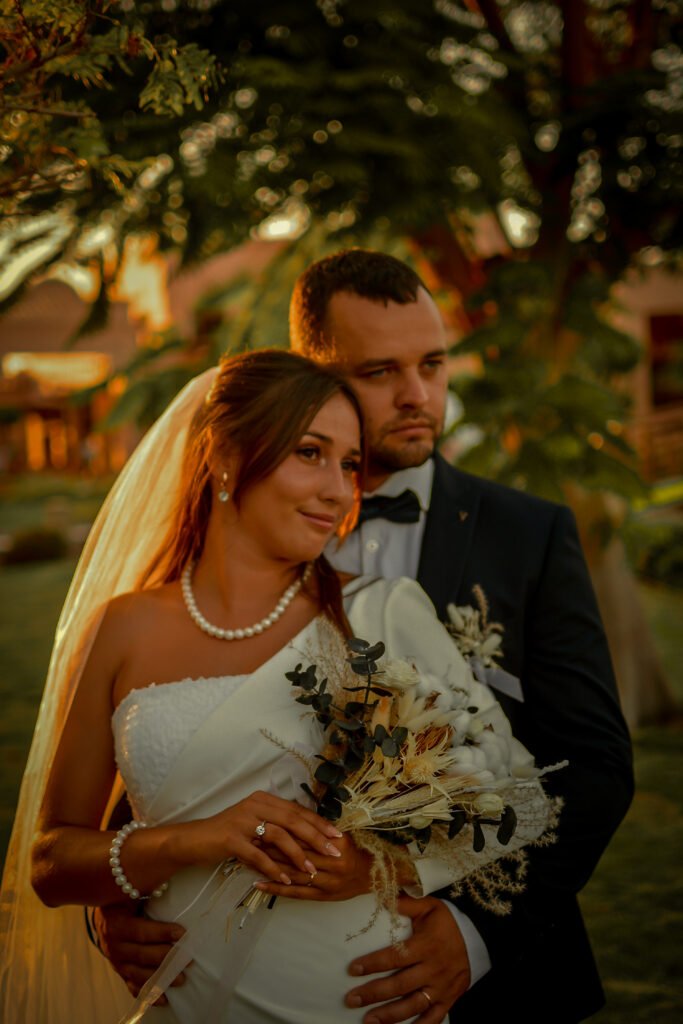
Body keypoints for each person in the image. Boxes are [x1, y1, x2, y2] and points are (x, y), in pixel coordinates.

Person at [88, 250, 634, 1022]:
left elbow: (594, 770)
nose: (418, 396)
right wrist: (117, 900)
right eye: (379, 372)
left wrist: (471, 932)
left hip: (491, 980)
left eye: (434, 364)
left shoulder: (526, 534)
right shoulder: (220, 560)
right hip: (213, 969)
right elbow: (158, 749)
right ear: (313, 378)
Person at [0, 348, 543, 1024]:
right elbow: (51, 862)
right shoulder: (123, 629)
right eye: (310, 453)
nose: (338, 491)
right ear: (227, 456)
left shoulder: (379, 612)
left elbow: (523, 798)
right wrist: (191, 841)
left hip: (357, 994)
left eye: (349, 464)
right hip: (185, 1000)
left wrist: (387, 864)